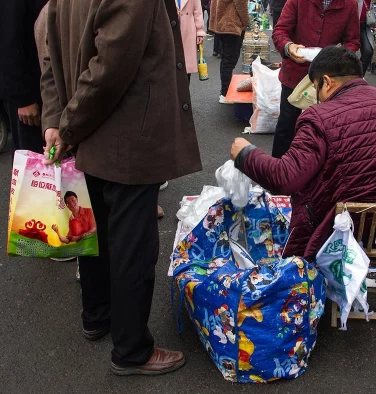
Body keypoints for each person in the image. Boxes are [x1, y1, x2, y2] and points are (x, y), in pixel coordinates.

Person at [41, 0, 202, 376]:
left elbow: (51, 58)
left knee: (93, 234)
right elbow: (107, 71)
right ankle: (131, 349)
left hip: (89, 136)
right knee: (133, 248)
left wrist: (58, 121)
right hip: (127, 139)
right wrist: (65, 126)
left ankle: (97, 316)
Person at [230, 46, 376, 260]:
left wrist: (246, 154)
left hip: (341, 234)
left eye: (316, 87)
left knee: (309, 192)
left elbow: (285, 178)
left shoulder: (319, 117)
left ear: (326, 82)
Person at [271, 0, 360, 158]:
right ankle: (276, 175)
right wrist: (289, 47)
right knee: (287, 127)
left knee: (323, 131)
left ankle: (314, 178)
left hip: (328, 80)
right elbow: (280, 31)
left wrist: (337, 58)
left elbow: (352, 41)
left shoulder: (349, 4)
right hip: (294, 76)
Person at [0, 0, 47, 156]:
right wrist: (23, 99)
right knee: (32, 164)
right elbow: (8, 42)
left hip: (48, 90)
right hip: (29, 95)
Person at [209, 0, 249, 103]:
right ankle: (225, 93)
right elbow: (241, 4)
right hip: (231, 24)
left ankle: (224, 92)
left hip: (221, 24)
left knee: (226, 60)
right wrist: (246, 22)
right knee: (229, 61)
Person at [175, 0, 206, 82]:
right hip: (170, 31)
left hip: (188, 30)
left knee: (186, 66)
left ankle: (185, 92)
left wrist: (199, 31)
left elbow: (198, 11)